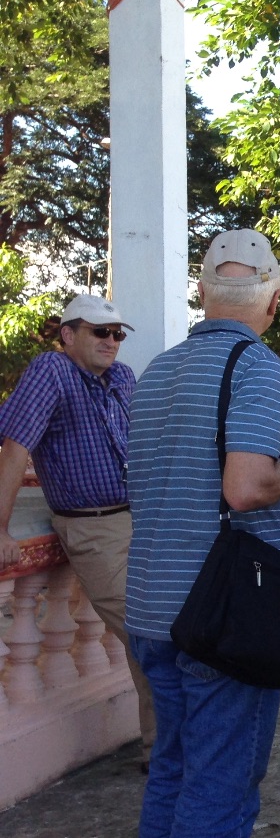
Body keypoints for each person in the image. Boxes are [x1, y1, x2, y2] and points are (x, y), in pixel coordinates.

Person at [125, 230, 280, 838]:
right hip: (219, 619)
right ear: (273, 301)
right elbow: (246, 488)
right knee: (219, 787)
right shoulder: (256, 367)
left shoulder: (155, 370)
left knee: (174, 778)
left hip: (152, 609)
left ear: (203, 295)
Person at [0, 294, 156, 766]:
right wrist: (0, 529)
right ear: (68, 335)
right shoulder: (53, 371)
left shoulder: (123, 377)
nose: (112, 342)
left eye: (117, 334)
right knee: (146, 633)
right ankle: (170, 750)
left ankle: (165, 747)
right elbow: (14, 448)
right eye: (100, 332)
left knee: (162, 628)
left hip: (141, 518)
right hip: (93, 527)